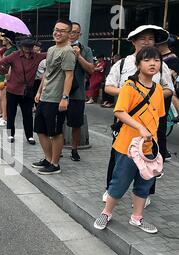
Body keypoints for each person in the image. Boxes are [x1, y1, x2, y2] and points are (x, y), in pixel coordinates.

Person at [94, 47, 165, 234]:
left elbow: (158, 117)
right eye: (148, 60)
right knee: (119, 181)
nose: (153, 64)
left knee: (144, 183)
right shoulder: (129, 86)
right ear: (138, 64)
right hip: (127, 145)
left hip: (149, 147)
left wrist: (156, 144)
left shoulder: (158, 90)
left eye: (156, 60)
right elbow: (119, 111)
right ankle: (106, 212)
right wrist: (140, 128)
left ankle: (137, 217)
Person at [103, 25, 174, 205]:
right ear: (133, 42)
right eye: (142, 38)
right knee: (119, 154)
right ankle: (111, 190)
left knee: (151, 155)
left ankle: (145, 192)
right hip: (126, 115)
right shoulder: (122, 64)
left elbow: (169, 89)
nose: (147, 42)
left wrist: (151, 96)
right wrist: (130, 93)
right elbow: (108, 86)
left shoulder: (161, 64)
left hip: (152, 118)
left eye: (150, 39)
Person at [32, 19, 76, 175]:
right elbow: (47, 73)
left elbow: (69, 76)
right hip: (45, 96)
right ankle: (47, 158)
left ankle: (55, 164)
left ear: (69, 34)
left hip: (56, 99)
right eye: (56, 29)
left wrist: (65, 97)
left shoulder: (68, 51)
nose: (57, 32)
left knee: (55, 132)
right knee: (40, 129)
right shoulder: (51, 49)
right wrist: (39, 91)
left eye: (62, 30)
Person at [0, 37, 44, 144]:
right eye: (26, 46)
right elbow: (2, 62)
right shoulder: (15, 55)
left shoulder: (37, 56)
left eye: (30, 46)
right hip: (13, 89)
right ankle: (10, 134)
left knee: (28, 114)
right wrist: (4, 72)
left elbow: (49, 54)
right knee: (11, 113)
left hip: (27, 91)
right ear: (22, 46)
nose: (28, 49)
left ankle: (29, 136)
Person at [67, 22, 95, 161]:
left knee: (76, 124)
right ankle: (56, 150)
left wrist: (79, 56)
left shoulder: (86, 50)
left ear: (80, 34)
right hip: (59, 92)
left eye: (75, 32)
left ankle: (74, 150)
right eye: (70, 31)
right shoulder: (59, 48)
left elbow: (91, 69)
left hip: (77, 94)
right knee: (55, 122)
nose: (72, 35)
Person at [0, 33, 17, 127]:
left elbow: (12, 65)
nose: (2, 40)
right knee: (1, 96)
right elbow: (3, 61)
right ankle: (3, 115)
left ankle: (5, 117)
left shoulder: (13, 50)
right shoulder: (7, 50)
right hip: (1, 75)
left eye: (4, 38)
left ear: (8, 40)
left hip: (6, 76)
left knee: (4, 97)